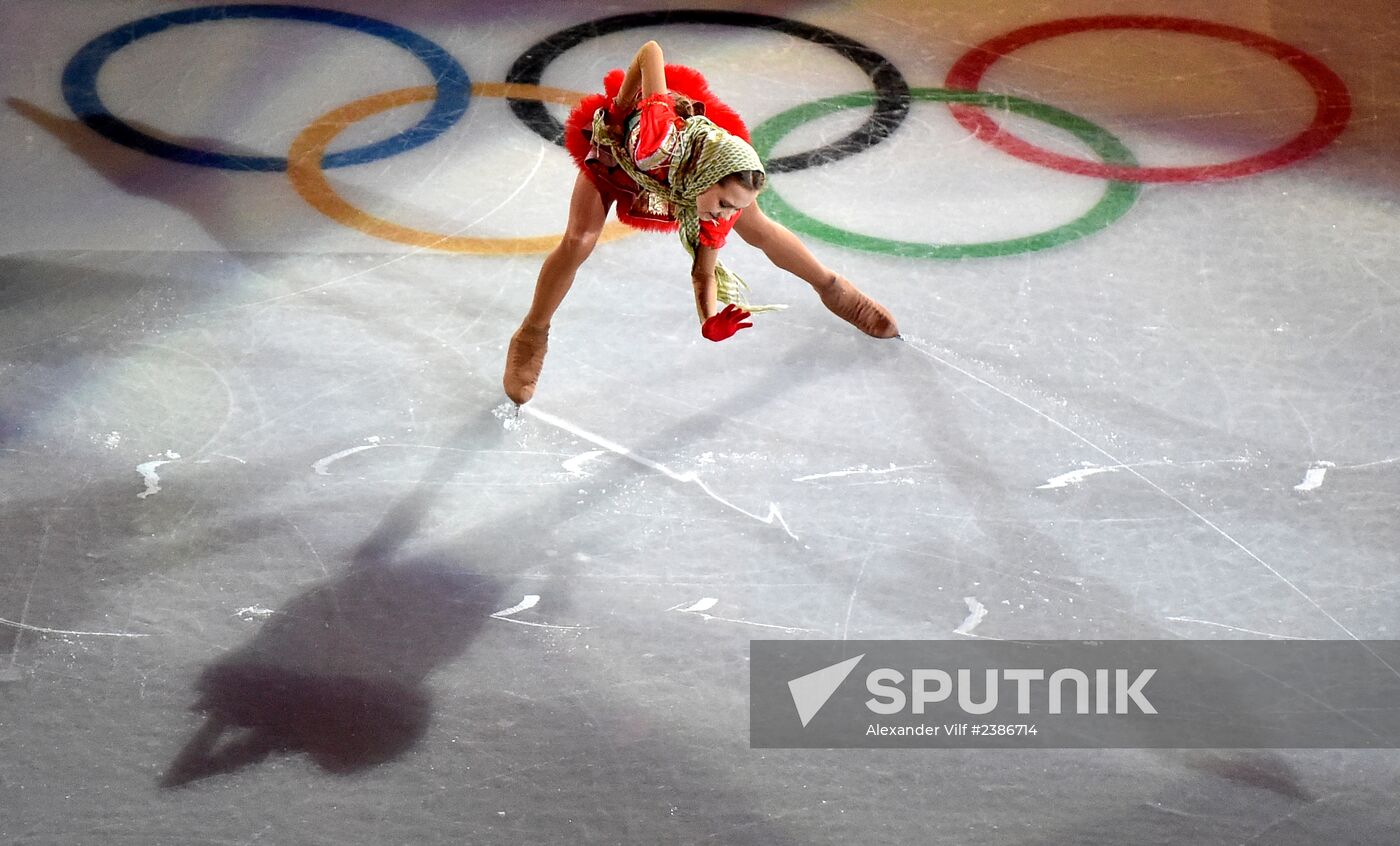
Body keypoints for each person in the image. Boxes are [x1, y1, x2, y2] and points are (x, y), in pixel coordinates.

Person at [503, 41, 898, 405]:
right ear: (708, 179)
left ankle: (833, 288)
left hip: (687, 171)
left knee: (755, 225)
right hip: (621, 154)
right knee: (580, 240)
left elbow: (702, 273)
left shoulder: (716, 204)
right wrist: (621, 113)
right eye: (724, 202)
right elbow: (651, 52)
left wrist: (709, 320)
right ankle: (532, 331)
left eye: (730, 207)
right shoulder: (654, 143)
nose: (725, 214)